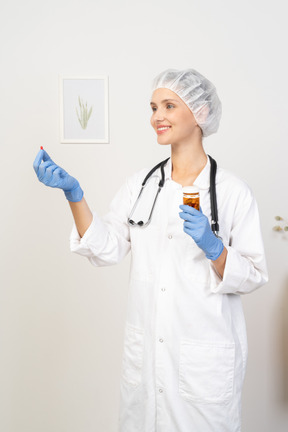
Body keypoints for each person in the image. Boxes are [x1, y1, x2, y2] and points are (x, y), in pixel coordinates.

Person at [33, 69, 268, 432]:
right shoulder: (141, 185)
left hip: (203, 368)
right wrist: (74, 195)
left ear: (200, 114)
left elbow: (253, 274)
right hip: (146, 362)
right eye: (154, 107)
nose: (156, 116)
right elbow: (106, 247)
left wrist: (214, 248)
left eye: (169, 106)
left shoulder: (233, 192)